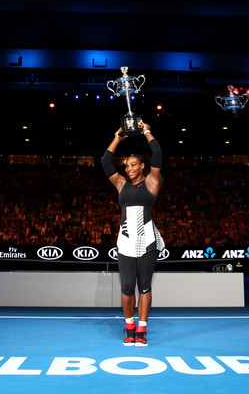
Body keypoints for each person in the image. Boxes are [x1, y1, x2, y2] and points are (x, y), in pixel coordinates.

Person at [101, 121, 164, 347]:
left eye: (133, 164)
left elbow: (157, 153)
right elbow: (105, 161)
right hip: (125, 242)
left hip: (147, 241)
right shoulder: (121, 184)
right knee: (127, 287)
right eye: (127, 165)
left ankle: (142, 329)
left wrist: (147, 130)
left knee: (144, 286)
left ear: (142, 167)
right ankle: (129, 326)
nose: (128, 168)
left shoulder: (151, 182)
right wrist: (118, 137)